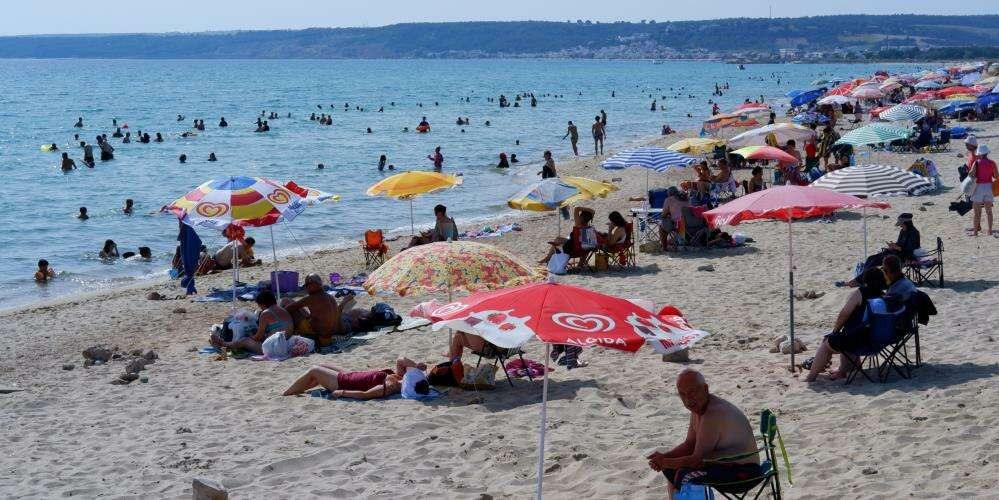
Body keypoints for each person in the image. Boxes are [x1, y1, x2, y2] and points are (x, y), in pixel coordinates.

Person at [647, 369, 761, 499]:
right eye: (682, 394)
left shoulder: (713, 413)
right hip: (724, 466)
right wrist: (663, 458)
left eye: (692, 392)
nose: (688, 400)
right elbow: (689, 445)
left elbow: (696, 461)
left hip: (745, 473)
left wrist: (664, 462)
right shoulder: (698, 409)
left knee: (684, 475)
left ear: (705, 389)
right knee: (670, 470)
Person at [804, 267, 888, 382]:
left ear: (866, 280)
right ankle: (845, 370)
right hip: (877, 340)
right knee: (849, 333)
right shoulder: (883, 296)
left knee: (828, 343)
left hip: (860, 342)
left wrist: (834, 332)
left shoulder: (861, 293)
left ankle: (810, 377)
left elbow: (843, 315)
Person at [281, 357, 430, 399]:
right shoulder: (400, 378)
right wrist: (417, 365)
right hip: (349, 374)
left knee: (314, 370)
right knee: (320, 367)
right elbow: (401, 359)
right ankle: (299, 388)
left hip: (343, 382)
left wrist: (342, 392)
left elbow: (365, 395)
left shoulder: (390, 387)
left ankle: (287, 393)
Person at [844, 213, 919, 286]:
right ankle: (862, 279)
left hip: (905, 256)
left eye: (902, 224)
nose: (900, 226)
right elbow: (899, 243)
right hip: (895, 252)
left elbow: (910, 249)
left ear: (907, 223)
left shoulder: (914, 233)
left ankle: (858, 280)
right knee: (870, 258)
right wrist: (893, 245)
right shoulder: (903, 231)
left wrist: (897, 247)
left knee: (875, 261)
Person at [211, 290, 292, 355]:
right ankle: (228, 343)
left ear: (263, 304)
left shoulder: (266, 313)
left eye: (260, 306)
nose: (260, 308)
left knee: (244, 340)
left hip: (274, 348)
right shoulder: (282, 310)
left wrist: (250, 336)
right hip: (286, 344)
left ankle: (223, 343)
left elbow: (258, 337)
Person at [284, 274, 344, 348]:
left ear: (312, 285)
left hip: (317, 338)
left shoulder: (312, 298)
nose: (307, 289)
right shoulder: (330, 297)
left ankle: (285, 332)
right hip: (329, 337)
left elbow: (288, 308)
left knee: (287, 303)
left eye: (307, 286)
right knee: (297, 307)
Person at [968, 144, 996, 237]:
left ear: (979, 153)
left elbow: (971, 174)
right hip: (989, 187)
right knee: (989, 211)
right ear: (987, 153)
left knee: (977, 213)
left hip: (978, 187)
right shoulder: (992, 163)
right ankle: (990, 231)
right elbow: (996, 176)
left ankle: (975, 232)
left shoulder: (976, 162)